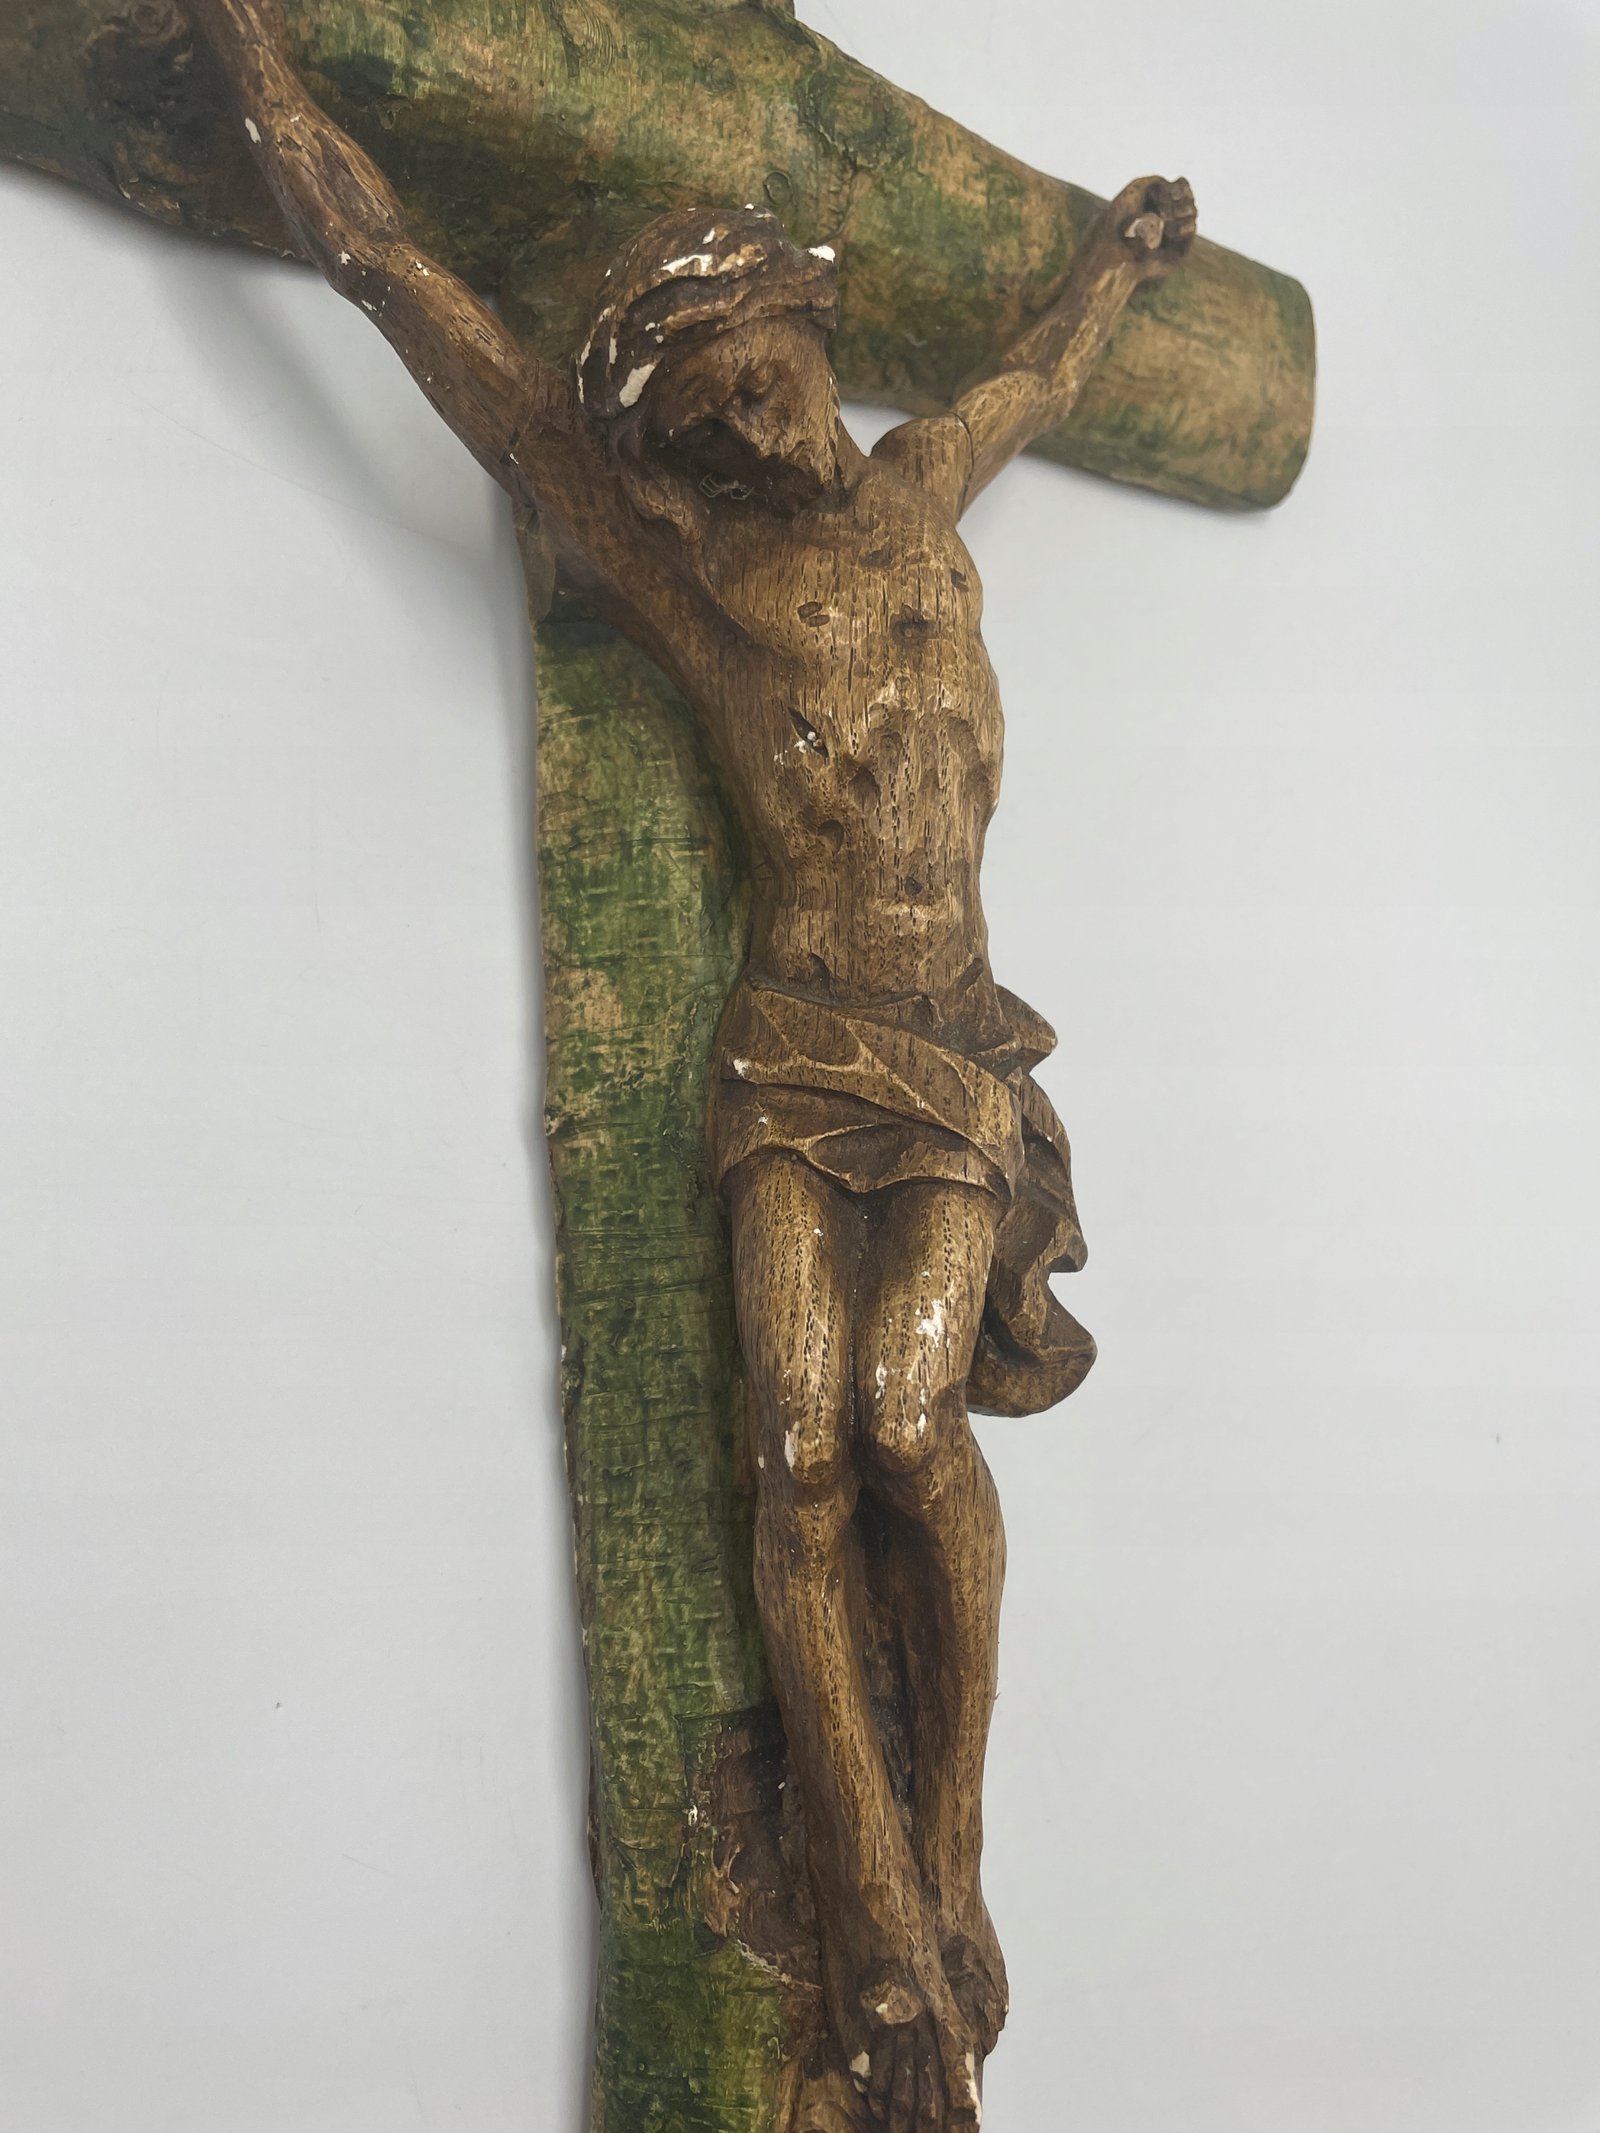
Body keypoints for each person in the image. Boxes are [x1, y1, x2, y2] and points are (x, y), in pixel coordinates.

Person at [184, 4, 1196, 2120]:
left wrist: (1113, 265)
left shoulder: (926, 491)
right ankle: (872, 1905)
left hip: (947, 1043)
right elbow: (408, 292)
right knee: (797, 1456)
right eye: (701, 400)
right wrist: (255, 64)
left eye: (756, 360)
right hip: (790, 1052)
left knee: (912, 1425)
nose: (745, 411)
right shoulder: (688, 572)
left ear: (809, 333)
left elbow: (1032, 373)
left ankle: (948, 1849)